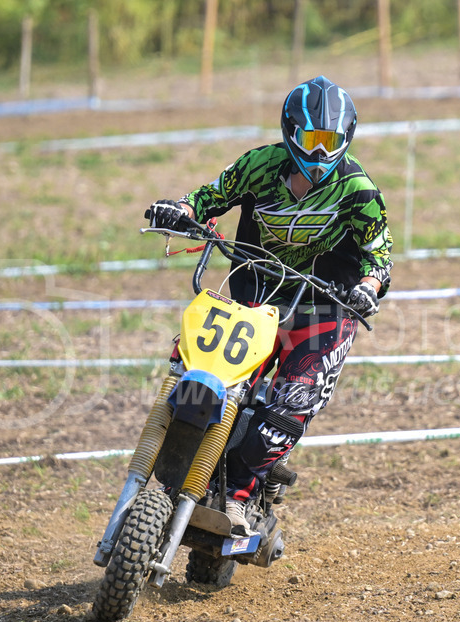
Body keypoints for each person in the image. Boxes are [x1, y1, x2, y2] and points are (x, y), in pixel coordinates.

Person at [147, 75, 392, 534]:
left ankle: (239, 496)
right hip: (254, 291)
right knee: (198, 367)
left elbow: (380, 255)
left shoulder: (359, 190)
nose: (320, 154)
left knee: (292, 399)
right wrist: (180, 211)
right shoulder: (259, 165)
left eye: (331, 142)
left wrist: (368, 286)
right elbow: (205, 198)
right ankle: (169, 458)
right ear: (290, 132)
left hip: (326, 303)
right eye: (311, 140)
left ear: (347, 139)